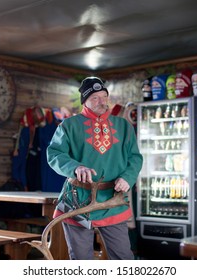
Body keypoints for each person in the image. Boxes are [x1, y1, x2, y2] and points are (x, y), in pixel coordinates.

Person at [47, 76, 143, 260]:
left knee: (123, 257)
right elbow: (54, 154)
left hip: (112, 200)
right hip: (78, 200)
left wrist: (127, 178)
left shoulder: (123, 126)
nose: (101, 102)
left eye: (103, 96)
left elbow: (135, 158)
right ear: (85, 101)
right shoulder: (69, 125)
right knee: (81, 259)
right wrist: (75, 168)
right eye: (94, 98)